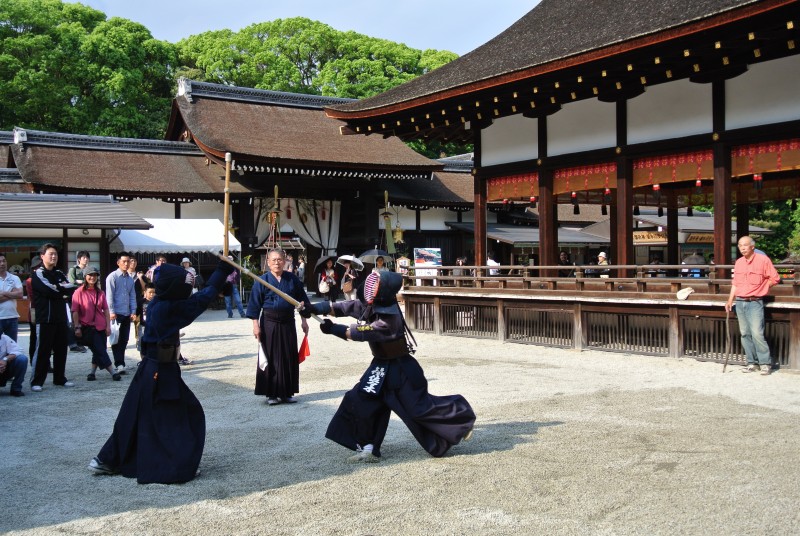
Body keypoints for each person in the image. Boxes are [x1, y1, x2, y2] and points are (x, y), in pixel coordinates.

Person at [88, 257, 234, 483]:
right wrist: (222, 270)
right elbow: (203, 298)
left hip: (152, 369)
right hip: (161, 372)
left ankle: (108, 458)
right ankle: (177, 464)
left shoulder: (160, 303)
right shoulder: (166, 308)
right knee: (180, 417)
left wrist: (222, 271)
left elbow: (199, 297)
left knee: (134, 416)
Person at [316, 270, 476, 462]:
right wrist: (316, 307)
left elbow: (360, 332)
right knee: (360, 399)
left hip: (402, 369)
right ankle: (368, 447)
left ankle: (461, 418)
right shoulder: (372, 306)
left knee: (419, 409)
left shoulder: (389, 320)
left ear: (382, 293)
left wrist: (333, 329)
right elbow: (345, 307)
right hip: (380, 366)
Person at [246, 248, 313, 406]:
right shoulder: (262, 280)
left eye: (280, 259)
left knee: (289, 355)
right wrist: (255, 326)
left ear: (285, 261)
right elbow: (254, 305)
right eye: (273, 260)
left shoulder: (292, 279)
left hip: (288, 322)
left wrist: (304, 320)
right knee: (271, 357)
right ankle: (272, 393)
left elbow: (302, 301)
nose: (277, 262)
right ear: (268, 263)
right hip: (269, 323)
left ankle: (287, 393)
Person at [725, 236, 780, 375]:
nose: (742, 248)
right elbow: (735, 284)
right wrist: (730, 300)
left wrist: (763, 288)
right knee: (745, 333)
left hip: (755, 302)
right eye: (740, 245)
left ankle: (765, 363)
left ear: (752, 246)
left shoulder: (763, 260)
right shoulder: (738, 263)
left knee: (757, 333)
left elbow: (775, 278)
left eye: (745, 245)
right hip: (740, 301)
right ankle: (751, 362)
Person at [30, 243, 77, 391]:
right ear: (42, 256)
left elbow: (71, 288)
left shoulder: (59, 273)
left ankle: (59, 378)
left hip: (61, 317)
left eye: (55, 254)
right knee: (43, 350)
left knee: (61, 349)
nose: (54, 256)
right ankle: (37, 381)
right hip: (45, 318)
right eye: (50, 254)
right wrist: (60, 289)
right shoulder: (38, 273)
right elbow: (47, 290)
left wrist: (59, 288)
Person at [71, 266, 121, 383]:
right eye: (90, 275)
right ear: (85, 277)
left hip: (100, 325)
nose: (92, 277)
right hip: (87, 326)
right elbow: (75, 311)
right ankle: (112, 371)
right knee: (100, 350)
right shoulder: (78, 292)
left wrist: (108, 326)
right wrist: (77, 326)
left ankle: (92, 373)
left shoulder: (100, 293)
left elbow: (106, 310)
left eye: (95, 275)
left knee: (99, 350)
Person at [106, 251, 138, 375]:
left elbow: (132, 296)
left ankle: (120, 362)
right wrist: (112, 311)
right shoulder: (112, 277)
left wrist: (133, 311)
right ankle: (119, 363)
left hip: (126, 312)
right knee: (116, 339)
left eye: (128, 261)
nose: (126, 264)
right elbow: (109, 296)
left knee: (124, 339)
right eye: (124, 261)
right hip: (116, 313)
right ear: (118, 262)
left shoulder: (130, 279)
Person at [0, 252, 23, 341]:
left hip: (12, 317)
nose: (2, 264)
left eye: (4, 261)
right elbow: (16, 294)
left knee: (12, 347)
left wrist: (3, 293)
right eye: (0, 261)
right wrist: (12, 293)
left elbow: (20, 294)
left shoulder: (14, 278)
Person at [0, 332, 28, 397]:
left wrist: (5, 359)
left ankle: (16, 388)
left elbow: (18, 351)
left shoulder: (4, 338)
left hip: (3, 369)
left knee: (22, 359)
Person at [137, 283, 156, 359]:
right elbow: (136, 312)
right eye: (150, 292)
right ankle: (143, 361)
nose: (152, 294)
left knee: (153, 344)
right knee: (142, 344)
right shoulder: (141, 302)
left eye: (153, 292)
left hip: (154, 326)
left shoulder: (157, 302)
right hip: (143, 326)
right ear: (145, 292)